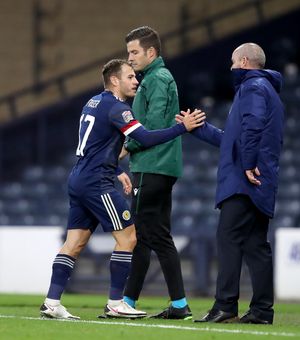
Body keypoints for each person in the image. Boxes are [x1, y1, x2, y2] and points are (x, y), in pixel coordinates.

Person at [39, 59, 205, 320]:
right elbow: (146, 138)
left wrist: (117, 169)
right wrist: (181, 128)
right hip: (96, 182)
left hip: (80, 177)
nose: (136, 81)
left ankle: (52, 302)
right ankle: (116, 303)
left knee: (74, 242)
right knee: (128, 238)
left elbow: (95, 143)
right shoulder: (117, 108)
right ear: (114, 80)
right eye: (129, 77)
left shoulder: (92, 102)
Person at [178, 43, 284, 324]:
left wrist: (248, 164)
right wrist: (199, 128)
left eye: (233, 62)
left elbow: (253, 126)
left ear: (245, 61)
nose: (231, 67)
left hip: (244, 179)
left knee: (228, 240)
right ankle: (262, 311)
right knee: (256, 246)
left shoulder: (252, 88)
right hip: (260, 179)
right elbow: (235, 138)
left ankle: (225, 306)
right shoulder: (265, 89)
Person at [119, 26, 192, 320]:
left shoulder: (157, 79)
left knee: (144, 235)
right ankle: (162, 303)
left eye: (134, 52)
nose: (130, 58)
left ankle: (138, 301)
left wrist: (126, 145)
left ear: (151, 52)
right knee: (152, 236)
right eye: (128, 53)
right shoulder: (155, 78)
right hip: (158, 165)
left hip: (152, 164)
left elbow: (155, 122)